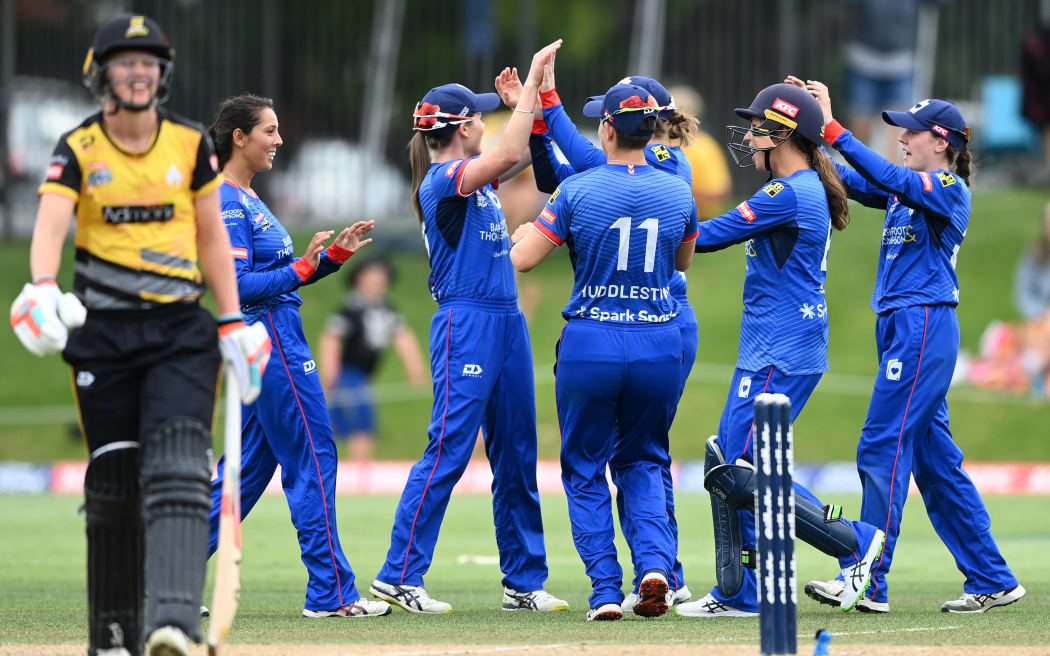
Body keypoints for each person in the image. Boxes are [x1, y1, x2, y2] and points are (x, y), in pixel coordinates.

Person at [8, 14, 271, 656]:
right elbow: (49, 227)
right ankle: (114, 634)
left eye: (149, 63)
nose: (137, 72)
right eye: (125, 62)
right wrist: (42, 286)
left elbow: (212, 237)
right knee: (117, 478)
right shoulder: (78, 147)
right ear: (101, 73)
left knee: (181, 463)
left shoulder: (188, 144)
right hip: (102, 333)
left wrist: (232, 320)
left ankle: (173, 622)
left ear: (163, 75)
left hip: (181, 327)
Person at [787, 75, 1025, 613]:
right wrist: (810, 132)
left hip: (924, 326)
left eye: (911, 131)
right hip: (904, 328)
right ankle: (992, 577)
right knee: (935, 464)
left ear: (941, 141)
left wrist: (832, 127)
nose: (900, 136)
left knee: (880, 442)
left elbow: (886, 174)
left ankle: (867, 578)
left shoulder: (948, 189)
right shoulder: (904, 188)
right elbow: (850, 179)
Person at [670, 83, 886, 619]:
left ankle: (855, 542)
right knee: (732, 461)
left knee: (737, 470)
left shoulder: (786, 193)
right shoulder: (799, 186)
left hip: (780, 351)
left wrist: (654, 206)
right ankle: (741, 592)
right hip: (776, 346)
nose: (749, 135)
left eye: (758, 127)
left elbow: (711, 233)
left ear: (783, 135)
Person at [368, 41, 569, 615]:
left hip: (505, 322)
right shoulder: (444, 178)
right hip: (467, 322)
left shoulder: (476, 180)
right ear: (460, 127)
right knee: (449, 448)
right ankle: (398, 575)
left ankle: (523, 582)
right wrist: (530, 86)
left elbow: (529, 154)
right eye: (482, 114)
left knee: (517, 452)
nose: (490, 121)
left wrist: (529, 109)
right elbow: (509, 154)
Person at [494, 63, 698, 611]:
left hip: (592, 339)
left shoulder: (579, 188)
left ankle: (606, 590)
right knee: (645, 460)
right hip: (658, 339)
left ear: (607, 129)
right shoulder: (679, 190)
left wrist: (517, 237)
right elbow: (684, 260)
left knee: (584, 467)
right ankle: (655, 567)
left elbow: (525, 261)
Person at [204, 94, 390, 619]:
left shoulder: (249, 196)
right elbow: (235, 286)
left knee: (243, 470)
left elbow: (287, 273)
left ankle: (163, 574)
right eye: (269, 130)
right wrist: (306, 270)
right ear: (239, 137)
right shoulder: (226, 200)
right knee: (313, 454)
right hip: (269, 338)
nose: (279, 140)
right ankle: (331, 595)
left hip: (272, 333)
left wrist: (330, 257)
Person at [318, 256, 426, 461]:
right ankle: (357, 471)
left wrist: (415, 367)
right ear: (358, 280)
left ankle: (351, 469)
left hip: (362, 376)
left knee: (341, 425)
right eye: (371, 277)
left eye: (381, 278)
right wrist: (330, 373)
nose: (377, 282)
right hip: (348, 375)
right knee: (359, 426)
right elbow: (330, 339)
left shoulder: (386, 311)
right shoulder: (351, 310)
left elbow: (404, 337)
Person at [667, 85, 731, 218]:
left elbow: (717, 194)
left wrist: (671, 191)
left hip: (698, 223)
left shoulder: (704, 146)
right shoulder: (659, 143)